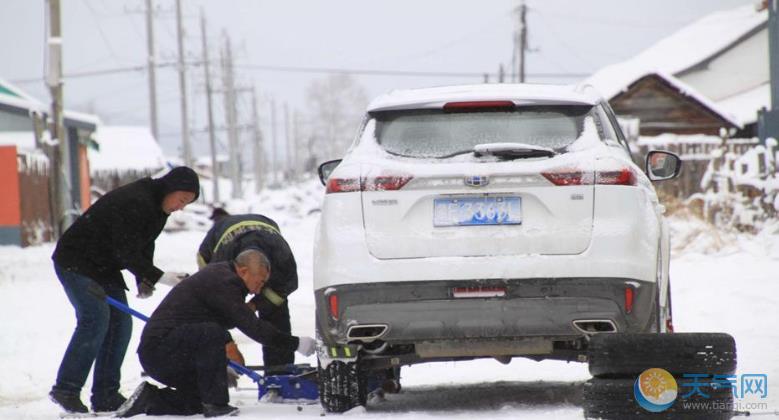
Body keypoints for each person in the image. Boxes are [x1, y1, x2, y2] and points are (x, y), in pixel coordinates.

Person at [49, 166, 200, 414]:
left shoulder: (158, 207)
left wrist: (144, 277)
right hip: (76, 260)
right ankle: (66, 388)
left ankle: (106, 394)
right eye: (182, 200)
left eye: (187, 204)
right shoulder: (136, 200)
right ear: (171, 188)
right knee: (95, 318)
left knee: (121, 325)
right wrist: (159, 276)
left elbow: (144, 241)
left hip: (104, 265)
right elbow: (125, 248)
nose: (181, 207)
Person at [115, 249, 316, 417]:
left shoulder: (222, 277)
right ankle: (216, 405)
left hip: (172, 352)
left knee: (196, 400)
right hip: (160, 350)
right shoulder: (223, 281)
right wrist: (296, 344)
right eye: (260, 282)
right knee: (212, 333)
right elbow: (253, 327)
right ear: (244, 271)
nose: (258, 290)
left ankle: (149, 400)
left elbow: (212, 323)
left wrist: (216, 365)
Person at [197, 210, 299, 375]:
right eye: (257, 284)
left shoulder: (283, 260)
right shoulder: (220, 264)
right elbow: (212, 300)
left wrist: (255, 304)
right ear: (242, 271)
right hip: (220, 240)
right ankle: (216, 366)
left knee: (275, 309)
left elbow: (285, 287)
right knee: (214, 312)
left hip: (267, 232)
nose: (258, 290)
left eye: (263, 283)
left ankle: (280, 372)